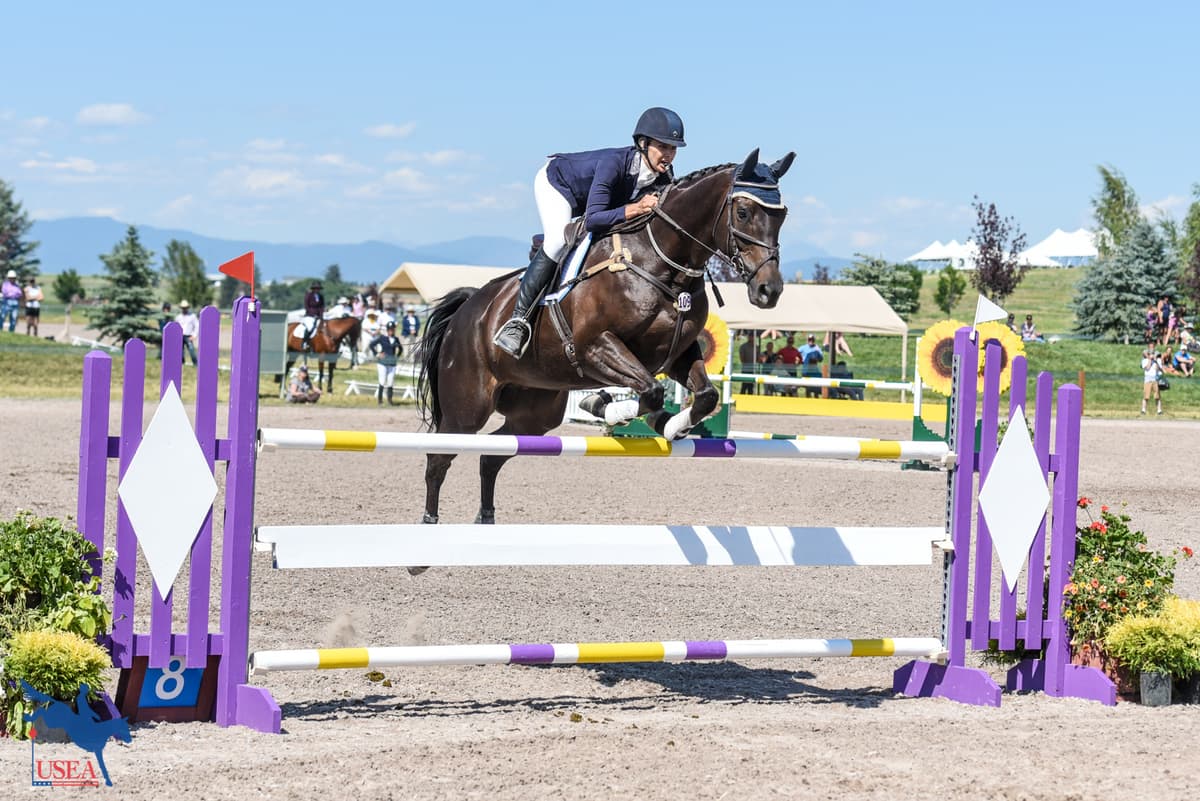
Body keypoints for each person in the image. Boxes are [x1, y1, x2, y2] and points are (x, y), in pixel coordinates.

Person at [492, 106, 686, 358]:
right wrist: (635, 208)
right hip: (558, 184)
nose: (669, 155)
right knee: (557, 242)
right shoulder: (613, 163)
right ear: (643, 143)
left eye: (673, 149)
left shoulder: (663, 177)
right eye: (663, 147)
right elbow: (594, 219)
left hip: (593, 202)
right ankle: (518, 322)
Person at [368, 320, 404, 405]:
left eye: (392, 329)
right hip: (382, 362)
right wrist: (377, 354)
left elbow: (401, 349)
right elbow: (371, 345)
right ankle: (380, 401)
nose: (391, 331)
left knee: (390, 382)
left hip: (392, 362)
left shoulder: (396, 339)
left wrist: (397, 356)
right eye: (390, 329)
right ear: (387, 330)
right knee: (382, 381)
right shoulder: (382, 338)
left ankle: (390, 400)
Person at [301, 281, 325, 351]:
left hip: (318, 316)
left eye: (318, 289)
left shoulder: (321, 296)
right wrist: (312, 314)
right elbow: (306, 305)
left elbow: (322, 306)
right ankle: (305, 342)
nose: (317, 290)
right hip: (309, 315)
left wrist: (321, 316)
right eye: (316, 288)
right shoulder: (308, 295)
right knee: (310, 327)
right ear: (313, 289)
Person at [175, 300, 198, 365]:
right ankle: (182, 363)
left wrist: (194, 335)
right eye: (183, 308)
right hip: (180, 336)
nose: (184, 309)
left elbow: (197, 326)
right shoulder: (178, 317)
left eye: (185, 308)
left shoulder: (192, 316)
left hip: (188, 336)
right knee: (180, 351)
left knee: (191, 350)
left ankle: (195, 363)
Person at [1141, 348, 1163, 416]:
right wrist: (1150, 360)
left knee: (1157, 396)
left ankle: (1159, 410)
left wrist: (1156, 361)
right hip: (1147, 379)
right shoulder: (1144, 360)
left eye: (1153, 353)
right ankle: (1143, 410)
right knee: (1146, 396)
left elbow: (1158, 369)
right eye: (1151, 354)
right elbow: (1147, 368)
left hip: (1155, 379)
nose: (1152, 355)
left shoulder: (1157, 361)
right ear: (1148, 354)